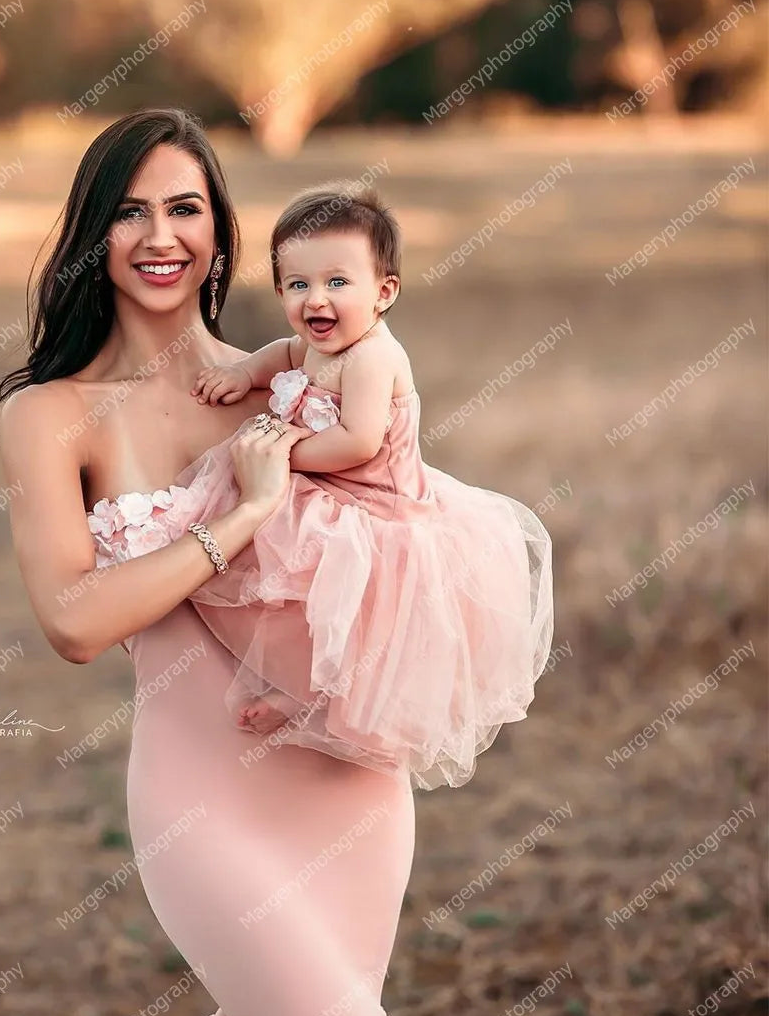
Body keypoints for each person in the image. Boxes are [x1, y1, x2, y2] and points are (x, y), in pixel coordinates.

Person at [0, 107, 534, 1016]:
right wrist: (240, 517)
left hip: (343, 778)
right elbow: (73, 621)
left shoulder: (300, 377)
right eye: (128, 211)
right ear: (90, 235)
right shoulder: (49, 414)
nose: (159, 235)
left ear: (220, 233)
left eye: (186, 208)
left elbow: (397, 558)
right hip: (200, 798)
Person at [153, 182, 554, 789]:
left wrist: (284, 453)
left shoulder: (371, 358)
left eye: (338, 283)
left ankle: (317, 704)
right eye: (298, 284)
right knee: (294, 605)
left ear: (384, 291)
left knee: (359, 632)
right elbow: (283, 352)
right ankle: (294, 687)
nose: (316, 300)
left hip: (383, 518)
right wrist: (242, 373)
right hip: (341, 500)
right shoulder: (315, 343)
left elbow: (358, 442)